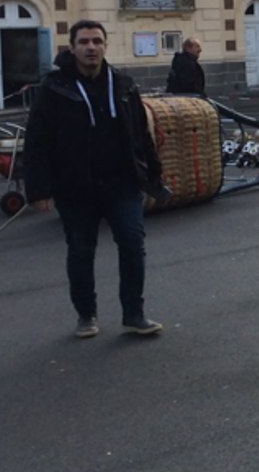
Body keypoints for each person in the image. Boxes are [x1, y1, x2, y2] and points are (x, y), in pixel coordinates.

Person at [24, 20, 166, 339]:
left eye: (97, 41)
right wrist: (38, 189)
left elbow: (142, 135)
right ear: (72, 47)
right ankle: (86, 315)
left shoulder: (124, 84)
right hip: (75, 187)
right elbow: (37, 140)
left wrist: (153, 178)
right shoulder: (54, 88)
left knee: (132, 244)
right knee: (80, 251)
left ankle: (134, 314)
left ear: (105, 46)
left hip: (122, 184)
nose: (91, 47)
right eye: (84, 42)